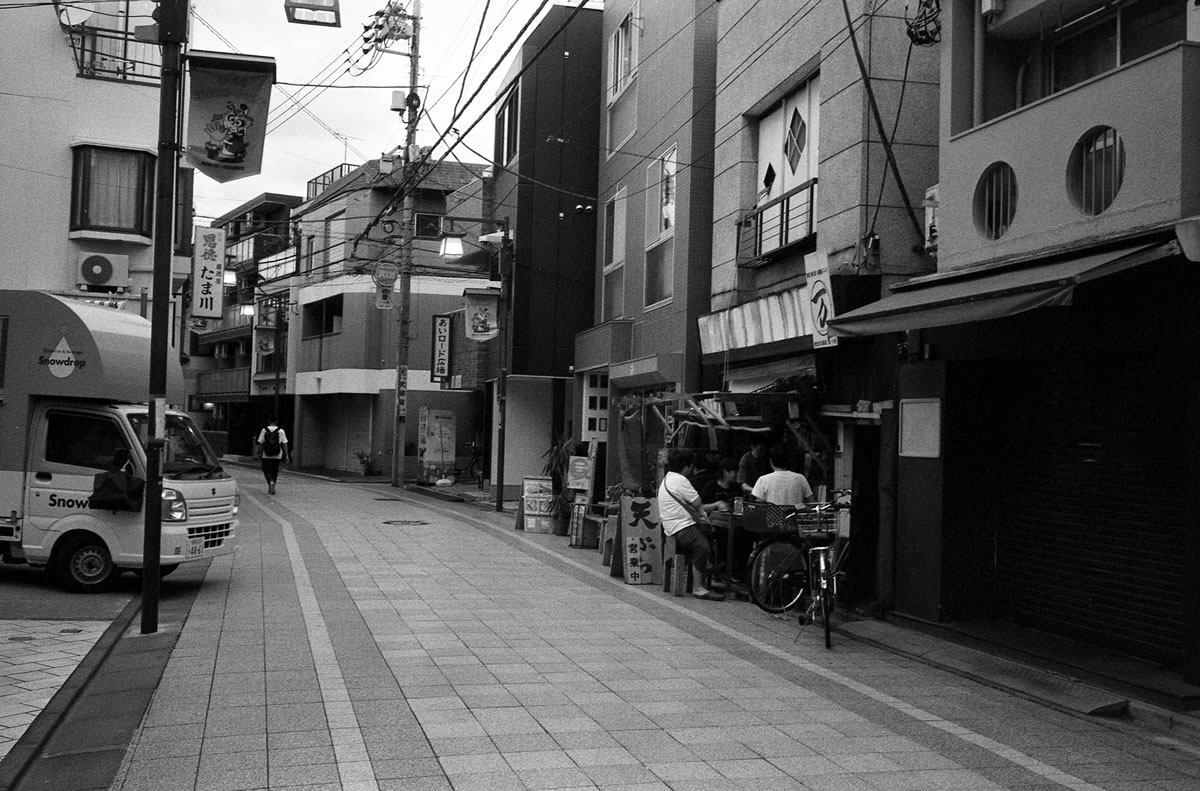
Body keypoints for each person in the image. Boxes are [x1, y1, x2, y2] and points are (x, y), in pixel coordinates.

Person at [658, 448, 725, 601]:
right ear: (687, 466)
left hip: (671, 525)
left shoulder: (668, 478)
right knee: (702, 546)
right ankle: (698, 587)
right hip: (681, 526)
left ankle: (705, 568)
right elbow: (696, 502)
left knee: (707, 536)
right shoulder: (680, 480)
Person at [750, 445, 814, 508]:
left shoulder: (763, 480)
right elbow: (812, 502)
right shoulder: (800, 478)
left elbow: (759, 506)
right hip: (794, 517)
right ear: (788, 460)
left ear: (771, 461)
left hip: (772, 518)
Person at [256, 417, 289, 495]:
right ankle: (273, 482)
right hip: (277, 455)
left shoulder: (264, 430)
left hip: (266, 454)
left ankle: (270, 482)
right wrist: (286, 455)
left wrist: (259, 454)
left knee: (266, 470)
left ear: (269, 421)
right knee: (275, 470)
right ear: (276, 422)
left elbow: (261, 443)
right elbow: (284, 443)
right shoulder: (281, 431)